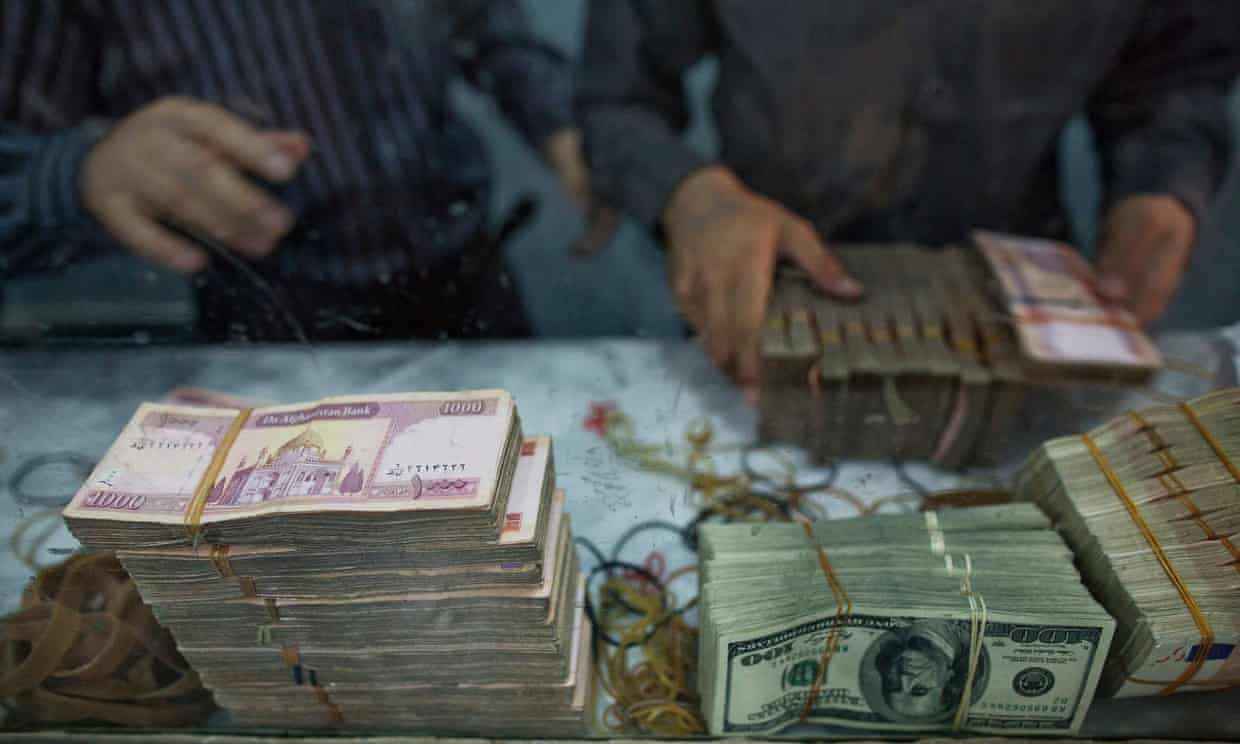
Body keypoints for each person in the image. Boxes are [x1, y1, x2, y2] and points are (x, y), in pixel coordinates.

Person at [578, 1, 1240, 384]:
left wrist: (1161, 184)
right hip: (767, 301)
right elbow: (615, 99)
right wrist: (690, 193)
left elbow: (1172, 75)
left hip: (1017, 325)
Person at [0, 0, 592, 341]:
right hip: (273, 314)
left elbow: (485, 21)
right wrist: (83, 172)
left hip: (471, 280)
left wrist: (560, 120)